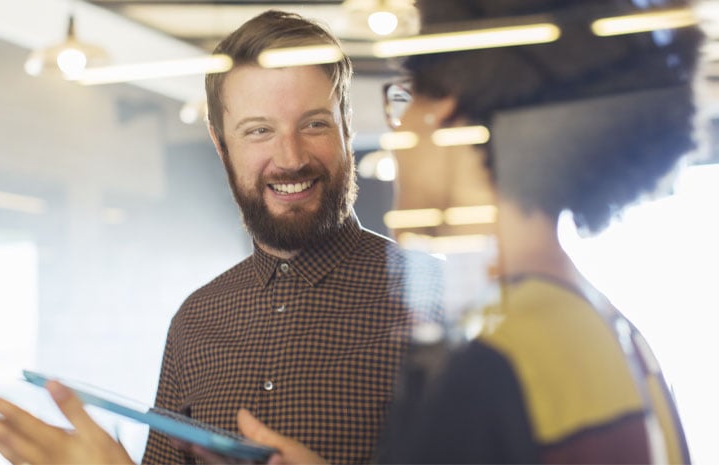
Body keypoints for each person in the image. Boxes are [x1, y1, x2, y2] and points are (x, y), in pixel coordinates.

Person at [0, 10, 447, 465]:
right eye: (259, 131)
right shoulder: (195, 322)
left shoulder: (439, 301)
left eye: (313, 124)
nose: (291, 156)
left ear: (346, 126)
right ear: (220, 142)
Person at [229, 0, 704, 463]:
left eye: (405, 100)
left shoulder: (486, 361)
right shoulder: (610, 328)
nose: (398, 134)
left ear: (446, 111)